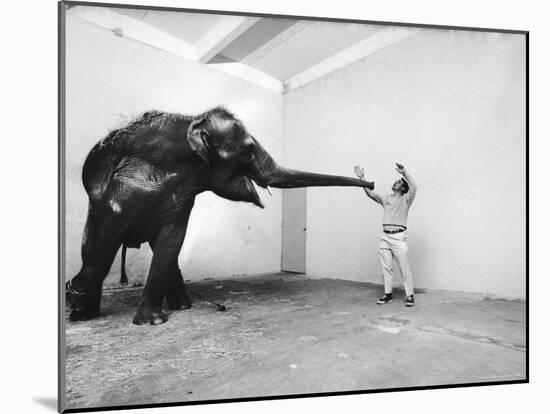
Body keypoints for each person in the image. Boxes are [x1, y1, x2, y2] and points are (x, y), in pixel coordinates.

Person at [354, 163, 417, 307]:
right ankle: (388, 294)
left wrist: (404, 173)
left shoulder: (406, 199)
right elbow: (370, 193)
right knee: (386, 267)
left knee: (404, 268)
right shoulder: (386, 198)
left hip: (398, 237)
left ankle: (410, 295)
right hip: (385, 237)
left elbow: (414, 187)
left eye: (399, 182)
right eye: (397, 181)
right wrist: (362, 178)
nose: (396, 182)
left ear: (403, 189)